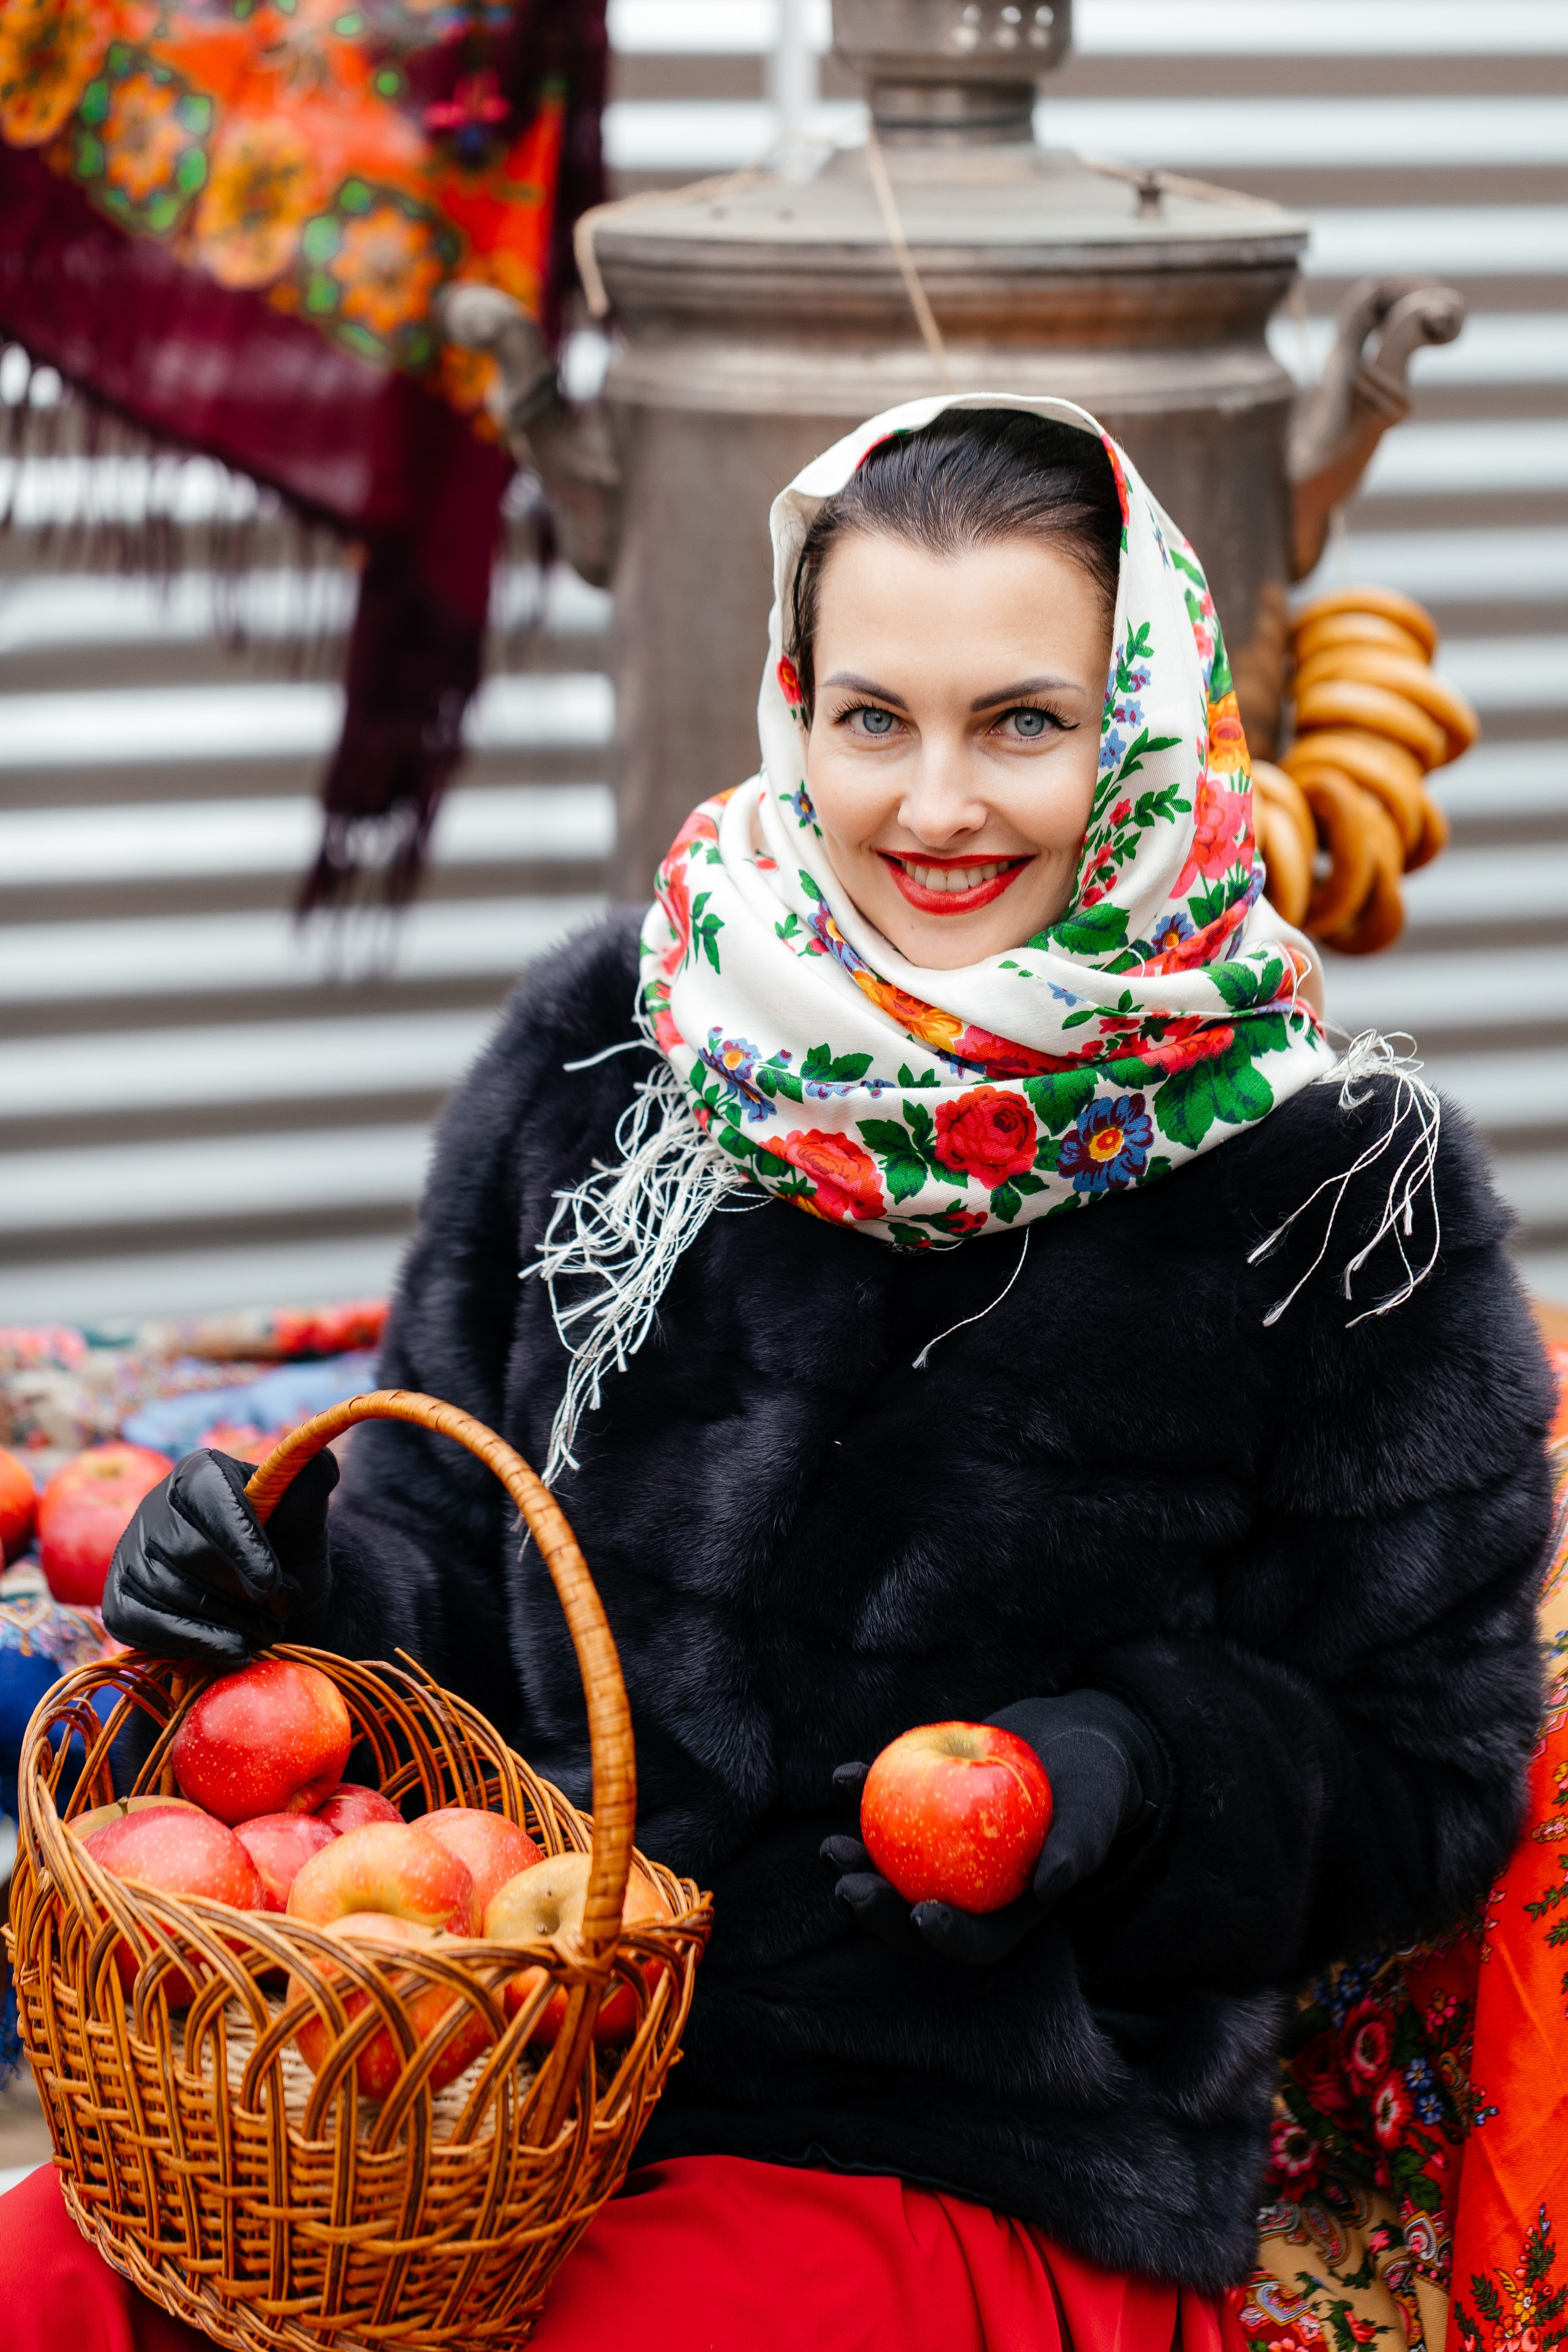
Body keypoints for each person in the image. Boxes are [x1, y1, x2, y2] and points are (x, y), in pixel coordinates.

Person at [4, 396, 1554, 2352]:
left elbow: (1433, 1772)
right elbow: (437, 1582)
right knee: (46, 2281)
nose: (938, 805)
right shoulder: (607, 1055)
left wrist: (1143, 1778)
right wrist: (272, 1602)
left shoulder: (1338, 1198)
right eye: (874, 718)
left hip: (974, 2156)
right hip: (510, 2096)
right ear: (794, 707)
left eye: (1024, 721)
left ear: (1149, 725)